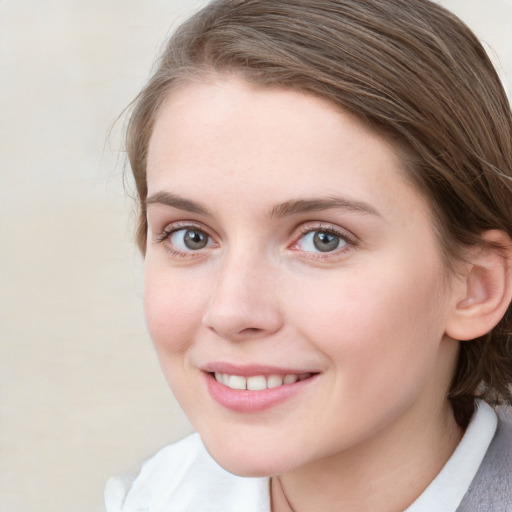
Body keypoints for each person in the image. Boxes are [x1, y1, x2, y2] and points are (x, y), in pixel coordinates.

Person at [105, 0, 512, 510]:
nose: (231, 312)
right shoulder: (159, 494)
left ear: (476, 285)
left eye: (324, 239)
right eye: (191, 236)